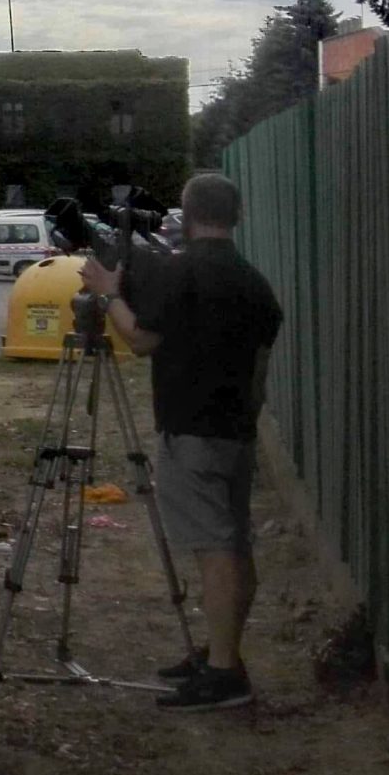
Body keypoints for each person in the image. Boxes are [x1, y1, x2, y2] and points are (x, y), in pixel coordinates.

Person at [80, 172, 283, 711]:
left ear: (188, 216)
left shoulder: (181, 272)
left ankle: (224, 674)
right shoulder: (255, 283)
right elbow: (260, 368)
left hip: (191, 430)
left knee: (215, 551)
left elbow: (140, 339)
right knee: (234, 545)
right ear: (237, 216)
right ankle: (222, 652)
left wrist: (106, 294)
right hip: (237, 431)